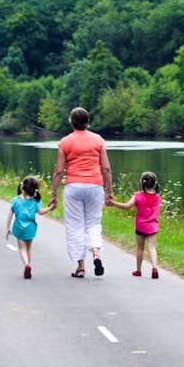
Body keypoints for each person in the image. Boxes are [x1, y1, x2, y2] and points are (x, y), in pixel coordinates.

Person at [49, 107, 113, 278]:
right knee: (93, 223)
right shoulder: (98, 140)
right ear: (87, 121)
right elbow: (106, 168)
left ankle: (81, 267)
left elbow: (59, 171)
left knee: (75, 226)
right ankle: (96, 254)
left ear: (71, 121)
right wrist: (109, 191)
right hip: (95, 186)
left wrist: (53, 193)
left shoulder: (65, 142)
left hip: (73, 187)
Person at [108, 171, 161, 278]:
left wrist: (113, 203)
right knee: (152, 247)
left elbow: (127, 206)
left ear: (141, 183)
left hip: (141, 226)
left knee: (140, 248)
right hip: (153, 226)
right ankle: (154, 267)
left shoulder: (137, 196)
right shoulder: (157, 197)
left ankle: (138, 270)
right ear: (155, 184)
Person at [5, 175, 55, 279]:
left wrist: (7, 228)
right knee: (28, 249)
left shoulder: (16, 200)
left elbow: (10, 214)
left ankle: (27, 265)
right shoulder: (35, 202)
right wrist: (50, 208)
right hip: (30, 228)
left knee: (22, 249)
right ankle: (28, 267)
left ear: (23, 187)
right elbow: (41, 212)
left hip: (19, 228)